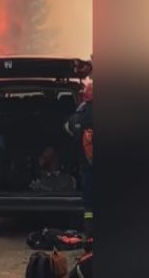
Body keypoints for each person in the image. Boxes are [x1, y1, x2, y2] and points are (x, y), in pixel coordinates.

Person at [65, 79, 93, 244]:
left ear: (84, 96)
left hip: (87, 165)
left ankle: (89, 230)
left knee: (89, 203)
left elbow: (68, 129)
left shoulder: (79, 114)